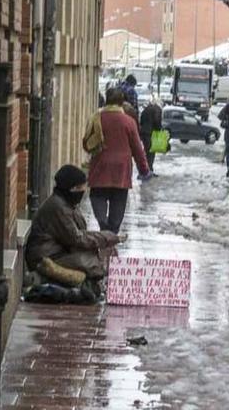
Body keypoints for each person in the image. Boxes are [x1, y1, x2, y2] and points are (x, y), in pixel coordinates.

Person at [25, 165, 121, 302]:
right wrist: (106, 237)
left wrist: (104, 240)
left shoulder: (67, 204)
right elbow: (75, 238)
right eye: (80, 188)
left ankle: (86, 287)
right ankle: (48, 280)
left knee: (97, 255)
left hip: (58, 252)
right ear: (72, 189)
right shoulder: (58, 207)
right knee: (93, 262)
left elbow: (79, 233)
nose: (83, 191)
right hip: (45, 258)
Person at [89, 88, 151, 233]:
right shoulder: (129, 122)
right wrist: (144, 169)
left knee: (98, 196)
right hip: (121, 171)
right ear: (121, 102)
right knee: (119, 200)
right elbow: (137, 149)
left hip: (100, 167)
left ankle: (103, 224)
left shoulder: (96, 117)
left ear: (107, 100)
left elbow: (87, 143)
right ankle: (113, 230)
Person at [139, 95, 163, 175]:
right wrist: (159, 129)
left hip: (143, 132)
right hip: (152, 133)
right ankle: (149, 170)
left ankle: (145, 169)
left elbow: (141, 120)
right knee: (151, 152)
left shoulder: (146, 109)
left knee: (146, 151)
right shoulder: (158, 109)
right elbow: (157, 121)